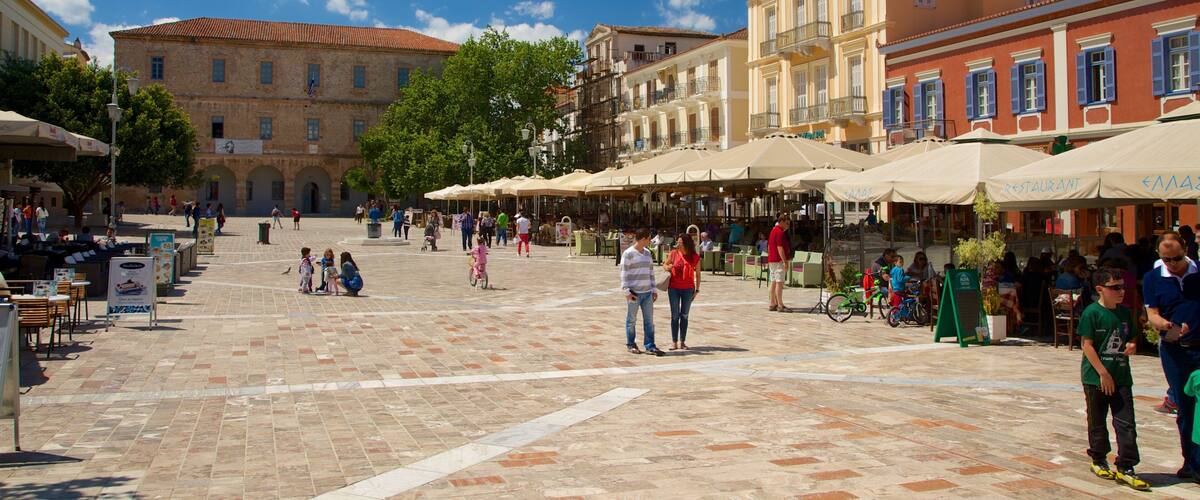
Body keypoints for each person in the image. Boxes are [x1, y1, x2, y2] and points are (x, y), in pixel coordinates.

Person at [1079, 267, 1148, 491]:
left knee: (1126, 422)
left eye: (1122, 287)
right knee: (1097, 421)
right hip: (1096, 377)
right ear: (1100, 289)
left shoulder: (1125, 313)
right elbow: (1086, 346)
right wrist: (1102, 373)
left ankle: (1127, 465)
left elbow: (1132, 337)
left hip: (1121, 376)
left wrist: (1133, 345)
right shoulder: (1092, 312)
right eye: (1115, 287)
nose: (1121, 291)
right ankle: (1098, 458)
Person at [1144, 233, 1200, 482]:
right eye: (1166, 259)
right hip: (1175, 351)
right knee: (1186, 406)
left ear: (1186, 250)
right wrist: (1165, 325)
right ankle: (1192, 462)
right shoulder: (1153, 278)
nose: (1172, 264)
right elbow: (1152, 314)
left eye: (1176, 258)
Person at [620, 228, 662, 356]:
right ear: (643, 239)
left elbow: (651, 272)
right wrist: (627, 292)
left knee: (649, 321)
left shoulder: (648, 253)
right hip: (634, 293)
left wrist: (654, 289)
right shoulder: (628, 254)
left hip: (647, 292)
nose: (651, 241)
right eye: (649, 238)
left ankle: (650, 345)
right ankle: (631, 343)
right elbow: (624, 273)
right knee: (631, 320)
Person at [664, 233, 701, 350]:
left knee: (684, 315)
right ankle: (674, 341)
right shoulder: (674, 253)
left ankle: (682, 341)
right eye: (678, 242)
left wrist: (697, 289)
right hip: (673, 288)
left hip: (688, 289)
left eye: (680, 243)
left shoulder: (694, 257)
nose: (678, 244)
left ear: (686, 244)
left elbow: (698, 274)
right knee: (675, 316)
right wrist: (667, 267)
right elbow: (665, 264)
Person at [767, 215, 792, 312]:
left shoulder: (773, 231)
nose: (788, 225)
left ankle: (772, 303)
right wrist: (785, 261)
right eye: (787, 223)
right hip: (778, 261)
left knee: (773, 282)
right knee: (779, 282)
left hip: (772, 260)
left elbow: (769, 247)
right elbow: (780, 248)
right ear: (781, 222)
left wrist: (770, 256)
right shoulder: (780, 232)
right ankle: (780, 305)